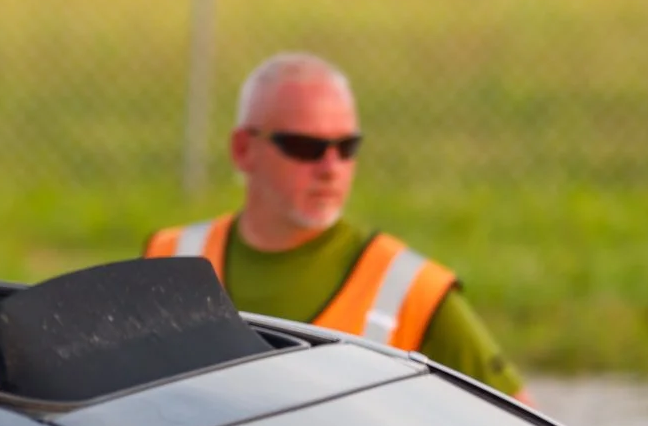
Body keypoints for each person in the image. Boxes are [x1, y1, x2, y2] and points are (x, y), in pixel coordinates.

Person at [145, 53, 527, 400]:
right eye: (305, 148)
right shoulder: (167, 259)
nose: (330, 168)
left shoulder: (413, 291)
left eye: (347, 148)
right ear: (243, 149)